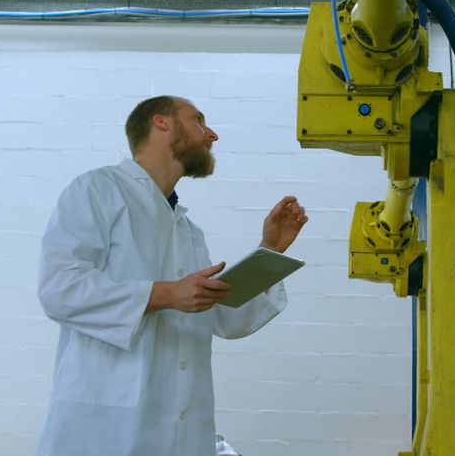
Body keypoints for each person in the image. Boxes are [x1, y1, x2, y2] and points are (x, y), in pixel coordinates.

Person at [36, 95, 308, 456]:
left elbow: (226, 319)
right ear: (161, 123)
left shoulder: (187, 230)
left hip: (182, 434)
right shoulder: (97, 190)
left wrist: (269, 250)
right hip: (105, 433)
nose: (211, 135)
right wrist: (166, 295)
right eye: (198, 121)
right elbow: (60, 288)